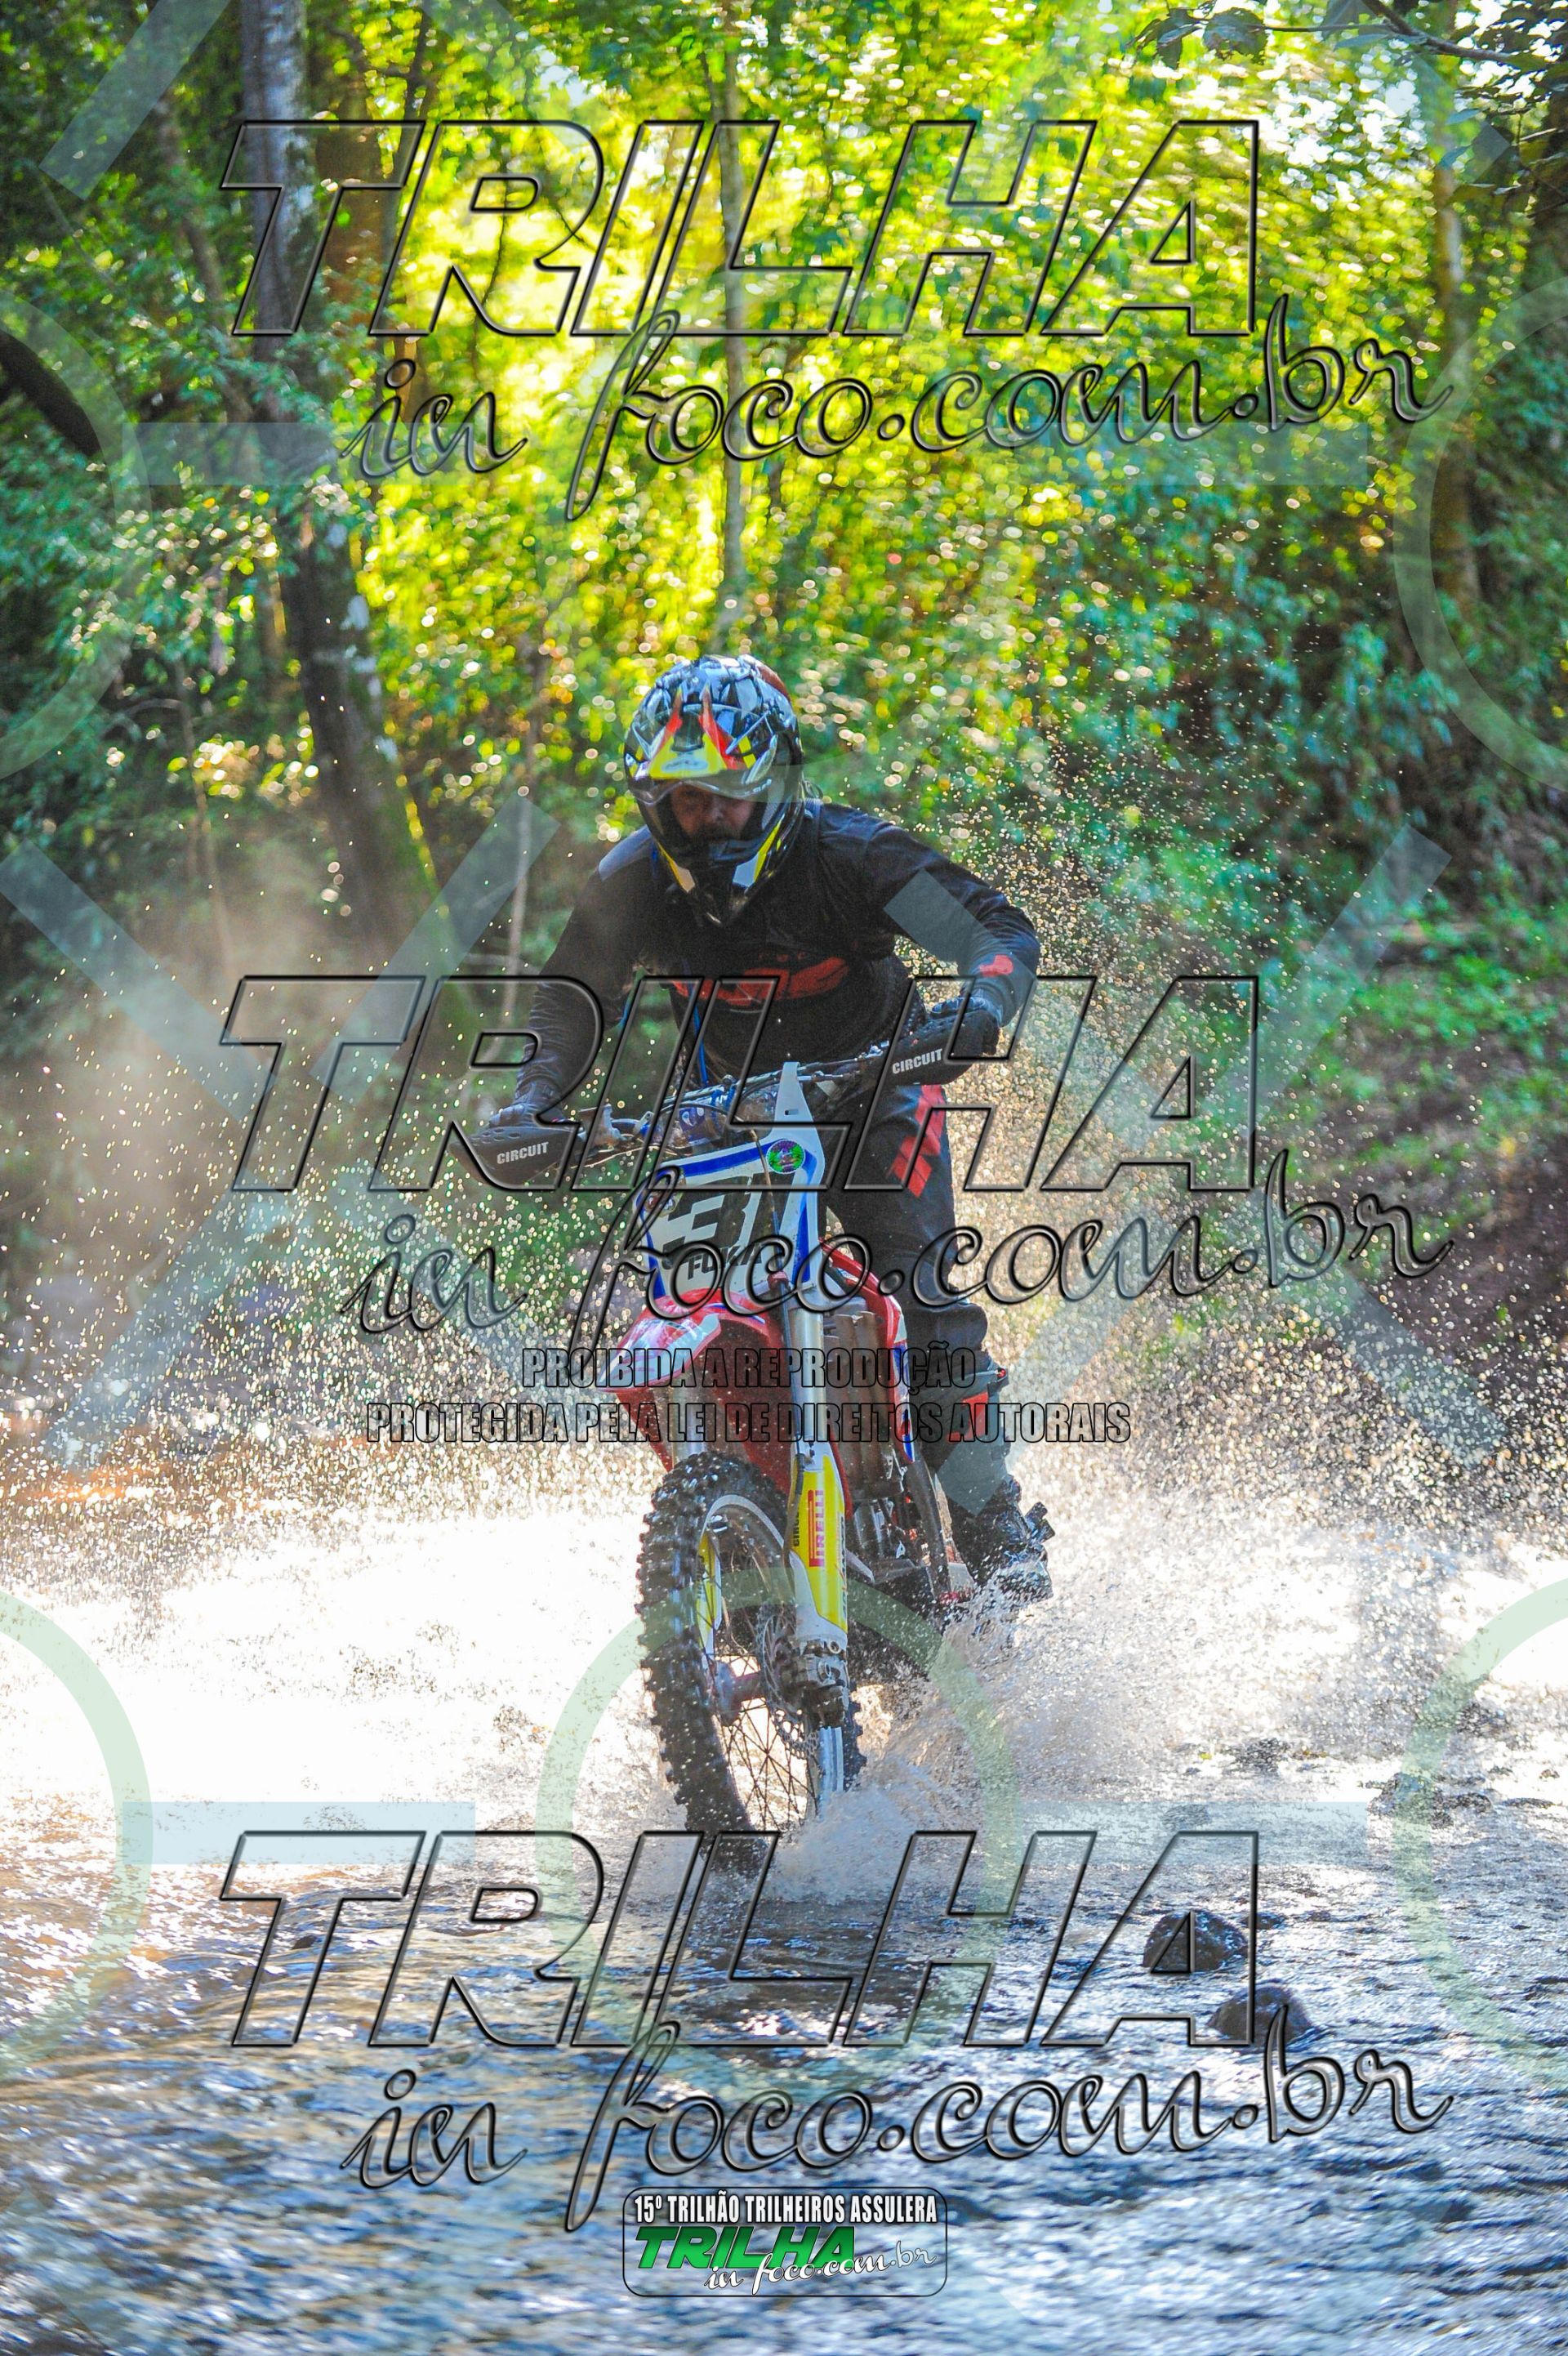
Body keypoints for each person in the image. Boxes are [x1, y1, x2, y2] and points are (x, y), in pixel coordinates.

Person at [484, 653, 1050, 1599]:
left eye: (728, 795)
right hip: (731, 1112)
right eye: (685, 799)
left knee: (923, 1300)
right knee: (693, 1300)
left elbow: (995, 932)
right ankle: (738, 1529)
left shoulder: (852, 855)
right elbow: (570, 1000)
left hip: (880, 1090)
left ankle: (994, 1525)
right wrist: (531, 1099)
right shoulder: (631, 881)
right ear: (655, 802)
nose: (707, 818)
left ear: (777, 784)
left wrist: (981, 1008)